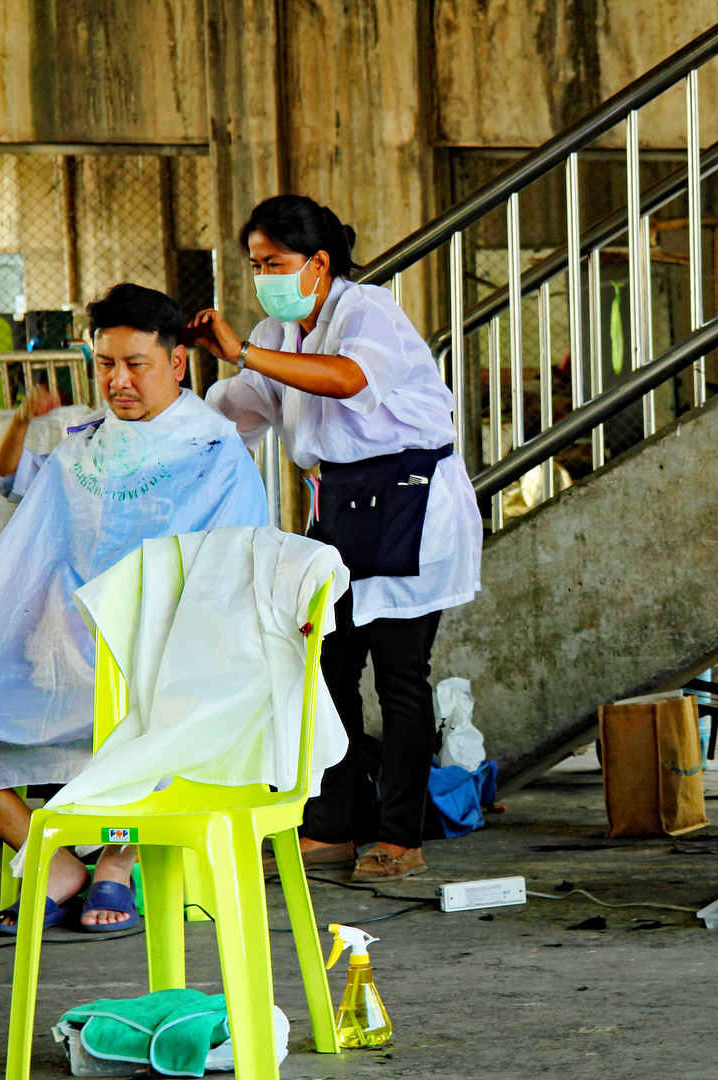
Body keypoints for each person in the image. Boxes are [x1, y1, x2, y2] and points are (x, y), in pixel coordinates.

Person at [0, 283, 269, 932]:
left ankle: (117, 858)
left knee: (168, 701)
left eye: (137, 364)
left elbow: (228, 590)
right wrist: (24, 420)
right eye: (106, 364)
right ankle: (48, 858)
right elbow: (10, 483)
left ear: (177, 363)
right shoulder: (86, 444)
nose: (119, 381)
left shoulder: (215, 453)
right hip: (67, 661)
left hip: (160, 669)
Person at [196, 195, 481, 883]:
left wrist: (247, 352)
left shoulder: (367, 310)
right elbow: (247, 408)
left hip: (410, 504)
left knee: (401, 678)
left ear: (319, 263)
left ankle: (399, 837)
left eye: (275, 263)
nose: (263, 275)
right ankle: (332, 824)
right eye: (256, 264)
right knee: (327, 670)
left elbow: (352, 379)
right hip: (342, 509)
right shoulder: (280, 330)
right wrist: (184, 397)